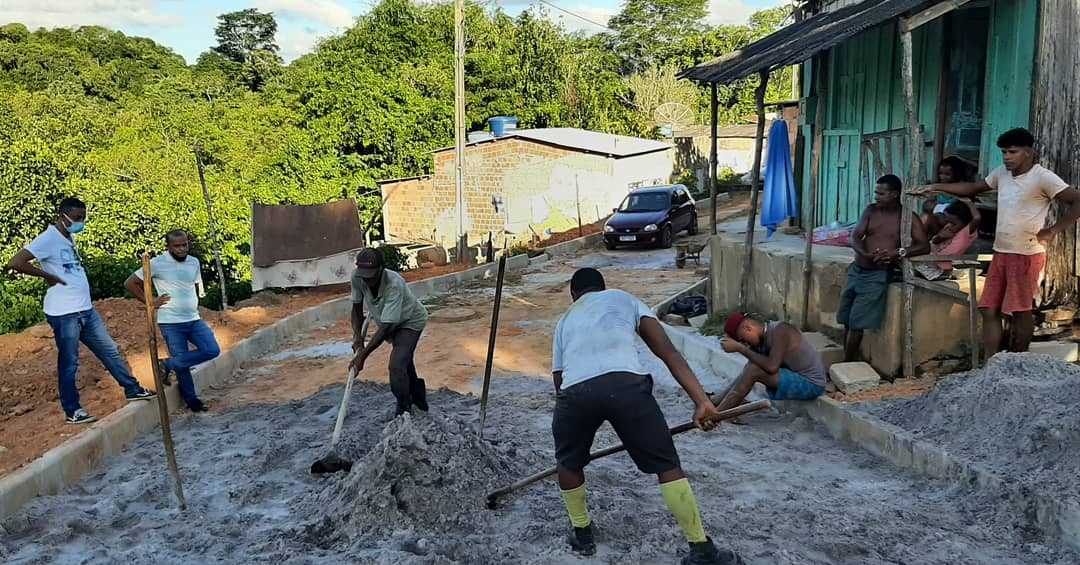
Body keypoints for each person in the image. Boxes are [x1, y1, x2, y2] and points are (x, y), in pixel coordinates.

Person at [550, 268, 742, 565]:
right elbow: (667, 352)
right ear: (603, 288)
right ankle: (700, 548)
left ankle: (582, 534)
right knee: (666, 464)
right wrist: (701, 401)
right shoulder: (624, 299)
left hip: (575, 394)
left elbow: (559, 380)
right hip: (626, 386)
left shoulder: (564, 321)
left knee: (568, 463)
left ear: (573, 294)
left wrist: (573, 430)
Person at [912, 128, 1080, 357]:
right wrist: (935, 186)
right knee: (989, 309)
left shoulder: (1043, 178)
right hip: (1001, 253)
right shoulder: (1002, 173)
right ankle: (992, 365)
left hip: (1026, 254)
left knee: (1021, 312)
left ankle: (1018, 362)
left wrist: (1053, 230)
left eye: (1012, 152)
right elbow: (972, 188)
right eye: (1003, 152)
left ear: (1029, 152)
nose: (1007, 157)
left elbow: (1076, 201)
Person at [6, 197, 155, 424]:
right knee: (69, 362)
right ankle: (73, 410)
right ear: (62, 216)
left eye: (83, 218)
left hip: (85, 309)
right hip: (65, 313)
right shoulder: (48, 239)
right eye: (76, 218)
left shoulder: (68, 237)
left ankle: (132, 389)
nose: (81, 222)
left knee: (109, 350)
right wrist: (47, 276)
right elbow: (16, 262)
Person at [839, 175, 930, 362]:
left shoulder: (907, 217)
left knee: (857, 324)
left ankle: (846, 364)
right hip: (857, 269)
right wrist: (864, 254)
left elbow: (924, 245)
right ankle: (846, 360)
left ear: (895, 194)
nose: (876, 196)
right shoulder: (870, 211)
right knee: (846, 319)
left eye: (881, 193)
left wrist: (898, 252)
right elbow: (855, 236)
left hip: (877, 275)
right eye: (876, 192)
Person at [124, 230, 217, 413]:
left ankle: (167, 365)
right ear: (168, 247)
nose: (182, 249)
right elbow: (130, 283)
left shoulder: (194, 262)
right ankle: (193, 402)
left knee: (211, 350)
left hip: (193, 318)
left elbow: (193, 286)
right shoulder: (157, 263)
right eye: (177, 246)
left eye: (184, 245)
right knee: (183, 365)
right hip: (171, 322)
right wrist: (150, 302)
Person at [348, 248, 429, 416]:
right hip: (388, 321)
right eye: (364, 275)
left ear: (381, 268)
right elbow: (356, 309)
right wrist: (357, 338)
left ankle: (404, 408)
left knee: (396, 366)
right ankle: (418, 395)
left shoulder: (394, 283)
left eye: (371, 275)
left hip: (409, 321)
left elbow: (386, 328)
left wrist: (362, 356)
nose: (368, 280)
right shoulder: (357, 277)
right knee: (404, 361)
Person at [717, 312, 827, 410]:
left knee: (753, 370)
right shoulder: (762, 340)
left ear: (748, 328)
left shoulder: (780, 330)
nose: (746, 344)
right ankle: (718, 403)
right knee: (750, 366)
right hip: (796, 377)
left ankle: (719, 414)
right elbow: (748, 371)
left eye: (743, 340)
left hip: (811, 384)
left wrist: (741, 349)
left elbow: (772, 367)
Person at [914, 199, 980, 281]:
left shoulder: (967, 232)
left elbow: (977, 218)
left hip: (941, 270)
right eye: (949, 221)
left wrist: (968, 202)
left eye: (954, 223)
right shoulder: (948, 227)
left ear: (965, 222)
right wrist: (940, 237)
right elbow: (934, 243)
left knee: (909, 263)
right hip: (930, 262)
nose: (950, 225)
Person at [920, 155, 973, 232]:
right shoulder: (939, 188)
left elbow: (960, 211)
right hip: (937, 219)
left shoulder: (961, 189)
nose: (942, 177)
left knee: (927, 219)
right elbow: (927, 205)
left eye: (947, 174)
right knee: (924, 217)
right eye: (940, 173)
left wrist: (938, 207)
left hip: (951, 222)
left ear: (957, 174)